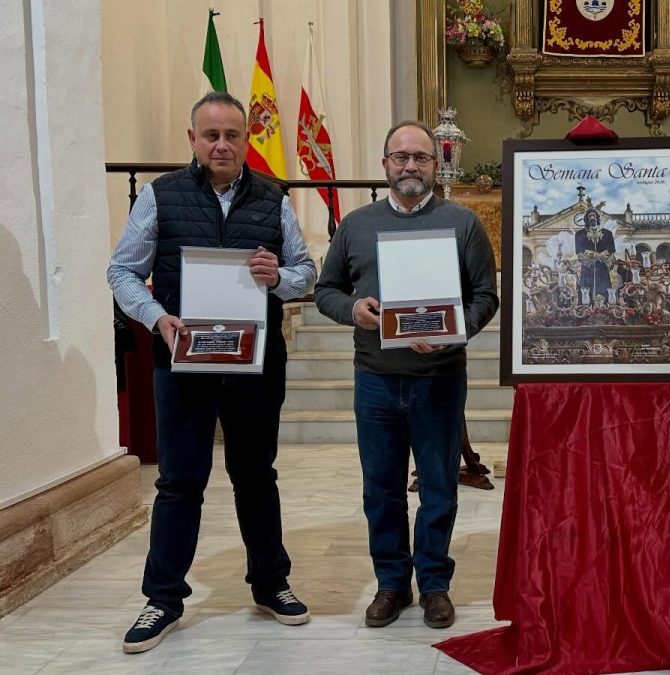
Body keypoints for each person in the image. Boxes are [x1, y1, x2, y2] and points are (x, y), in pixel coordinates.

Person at [107, 91, 317, 653]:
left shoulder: (274, 199)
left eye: (232, 135)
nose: (221, 144)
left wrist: (280, 278)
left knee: (256, 475)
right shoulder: (158, 196)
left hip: (255, 364)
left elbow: (305, 272)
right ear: (193, 140)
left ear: (247, 139)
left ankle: (271, 585)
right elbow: (122, 272)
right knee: (179, 481)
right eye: (210, 135)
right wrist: (157, 318)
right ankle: (163, 598)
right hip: (183, 363)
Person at [313, 120, 498, 629]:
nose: (410, 166)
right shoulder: (356, 224)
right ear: (385, 165)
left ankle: (434, 583)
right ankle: (392, 583)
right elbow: (326, 289)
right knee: (381, 488)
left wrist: (456, 330)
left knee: (439, 486)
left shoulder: (462, 224)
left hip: (438, 377)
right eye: (401, 157)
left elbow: (487, 296)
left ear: (436, 164)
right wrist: (354, 310)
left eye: (420, 157)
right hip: (375, 377)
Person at [574, 206, 616, 305]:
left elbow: (612, 250)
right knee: (586, 290)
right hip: (587, 268)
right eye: (589, 216)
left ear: (597, 218)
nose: (592, 217)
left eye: (594, 215)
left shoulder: (607, 234)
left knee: (604, 288)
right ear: (586, 219)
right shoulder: (579, 234)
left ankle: (606, 309)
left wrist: (602, 256)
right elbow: (579, 251)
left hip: (602, 268)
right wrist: (593, 255)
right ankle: (585, 308)